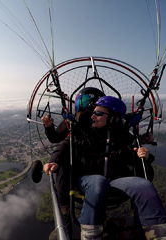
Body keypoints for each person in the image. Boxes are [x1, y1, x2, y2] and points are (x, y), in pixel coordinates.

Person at [44, 96, 166, 240]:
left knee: (144, 185)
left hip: (114, 182)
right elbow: (63, 147)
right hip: (87, 181)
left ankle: (162, 236)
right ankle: (90, 237)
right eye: (93, 112)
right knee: (98, 182)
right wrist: (54, 161)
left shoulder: (124, 137)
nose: (93, 116)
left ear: (113, 118)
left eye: (99, 113)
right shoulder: (82, 131)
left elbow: (138, 164)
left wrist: (145, 156)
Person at [41, 87, 105, 239]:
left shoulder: (106, 124)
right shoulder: (72, 122)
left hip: (99, 169)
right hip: (75, 169)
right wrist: (49, 128)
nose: (81, 109)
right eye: (79, 103)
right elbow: (58, 140)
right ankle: (66, 218)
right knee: (64, 164)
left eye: (84, 104)